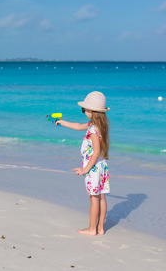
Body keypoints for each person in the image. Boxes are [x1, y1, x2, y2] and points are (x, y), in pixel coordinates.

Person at [57, 91, 110, 235]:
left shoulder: (93, 129)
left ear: (92, 111)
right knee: (102, 197)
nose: (84, 112)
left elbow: (96, 151)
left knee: (94, 198)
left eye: (84, 110)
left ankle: (92, 229)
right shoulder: (100, 124)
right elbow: (79, 126)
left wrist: (86, 169)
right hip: (101, 166)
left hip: (93, 167)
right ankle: (100, 227)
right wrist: (63, 123)